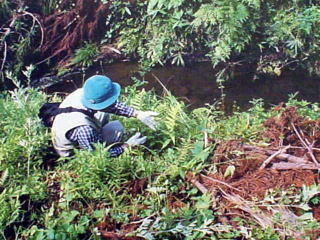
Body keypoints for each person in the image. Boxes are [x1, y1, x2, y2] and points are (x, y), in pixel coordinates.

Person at [51, 75, 158, 157]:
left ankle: (97, 137)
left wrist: (138, 114)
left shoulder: (84, 93)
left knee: (103, 112)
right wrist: (127, 146)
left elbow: (110, 105)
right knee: (116, 128)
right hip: (71, 152)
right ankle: (98, 139)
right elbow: (98, 155)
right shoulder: (84, 129)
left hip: (72, 123)